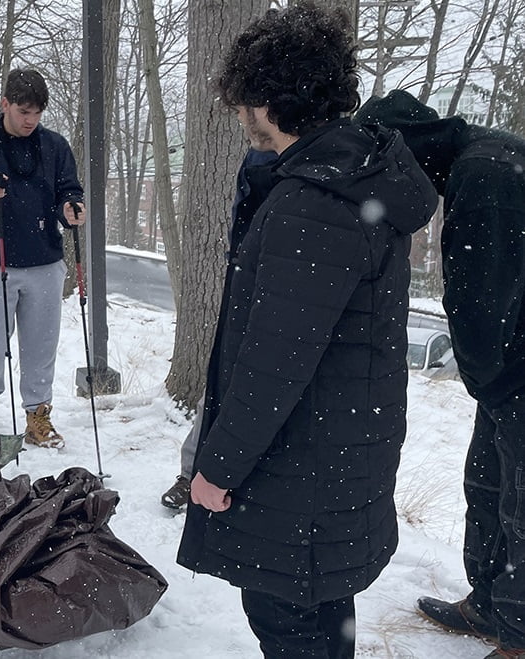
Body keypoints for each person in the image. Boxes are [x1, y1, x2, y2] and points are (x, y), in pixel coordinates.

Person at [175, 3, 437, 657]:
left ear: (269, 98)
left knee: (287, 619)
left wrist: (215, 467)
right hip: (334, 453)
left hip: (304, 468)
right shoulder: (351, 176)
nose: (239, 115)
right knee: (321, 616)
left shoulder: (314, 203)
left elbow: (274, 360)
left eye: (244, 100)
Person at [355, 89, 525, 659]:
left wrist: (490, 381)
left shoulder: (485, 175)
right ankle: (491, 602)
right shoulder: (480, 159)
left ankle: (519, 636)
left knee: (519, 500)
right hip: (512, 369)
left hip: (517, 371)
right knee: (488, 484)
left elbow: (478, 299)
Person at [0, 67, 85, 448]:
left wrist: (71, 207)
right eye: (24, 112)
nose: (31, 121)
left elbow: (67, 191)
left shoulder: (54, 146)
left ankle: (38, 416)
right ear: (5, 104)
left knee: (41, 344)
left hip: (44, 262)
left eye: (37, 113)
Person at [160, 148, 278, 511]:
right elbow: (244, 215)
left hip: (287, 289)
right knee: (220, 387)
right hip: (249, 279)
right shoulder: (260, 155)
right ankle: (191, 473)